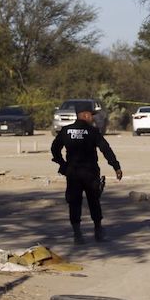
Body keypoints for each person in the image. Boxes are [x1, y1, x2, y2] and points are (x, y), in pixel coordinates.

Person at [51, 101, 123, 244]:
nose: (93, 118)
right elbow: (106, 149)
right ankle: (98, 231)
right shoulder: (92, 132)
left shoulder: (66, 131)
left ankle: (77, 235)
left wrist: (62, 164)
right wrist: (116, 166)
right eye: (91, 115)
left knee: (74, 203)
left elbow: (54, 148)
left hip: (73, 173)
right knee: (94, 201)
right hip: (90, 172)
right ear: (84, 114)